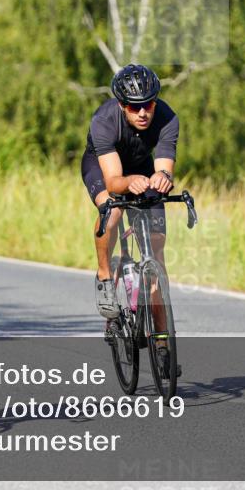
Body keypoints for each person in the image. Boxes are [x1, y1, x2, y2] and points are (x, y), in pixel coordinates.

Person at [81, 63, 180, 376]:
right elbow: (113, 182)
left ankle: (162, 345)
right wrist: (131, 181)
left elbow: (163, 167)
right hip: (104, 168)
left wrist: (162, 178)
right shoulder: (104, 121)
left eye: (148, 104)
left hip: (142, 166)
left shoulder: (167, 118)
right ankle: (104, 274)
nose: (142, 112)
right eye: (134, 106)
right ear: (121, 105)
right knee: (112, 211)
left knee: (157, 259)